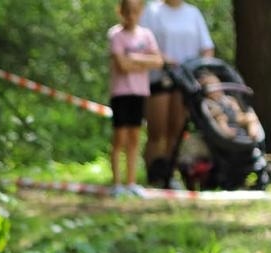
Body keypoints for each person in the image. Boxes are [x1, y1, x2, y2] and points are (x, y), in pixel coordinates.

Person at [141, 0, 213, 188]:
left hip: (186, 81)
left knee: (177, 131)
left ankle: (169, 176)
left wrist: (202, 70)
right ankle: (153, 176)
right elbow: (142, 42)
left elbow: (207, 47)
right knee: (157, 131)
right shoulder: (152, 11)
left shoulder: (193, 13)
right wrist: (163, 59)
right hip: (160, 78)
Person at [108, 0, 161, 197]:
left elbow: (158, 61)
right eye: (127, 12)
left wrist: (135, 58)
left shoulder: (146, 35)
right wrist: (144, 62)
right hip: (121, 93)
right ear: (121, 12)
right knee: (120, 138)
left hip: (140, 92)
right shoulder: (115, 34)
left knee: (135, 138)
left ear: (140, 12)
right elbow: (122, 65)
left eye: (135, 12)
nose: (131, 16)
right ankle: (117, 183)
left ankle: (131, 182)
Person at [195, 70, 262, 144]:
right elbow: (210, 114)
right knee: (221, 119)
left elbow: (237, 110)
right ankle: (229, 133)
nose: (217, 90)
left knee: (251, 117)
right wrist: (215, 111)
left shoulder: (227, 99)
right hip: (223, 120)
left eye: (218, 85)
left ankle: (253, 135)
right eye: (213, 87)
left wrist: (234, 105)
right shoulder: (208, 102)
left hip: (235, 118)